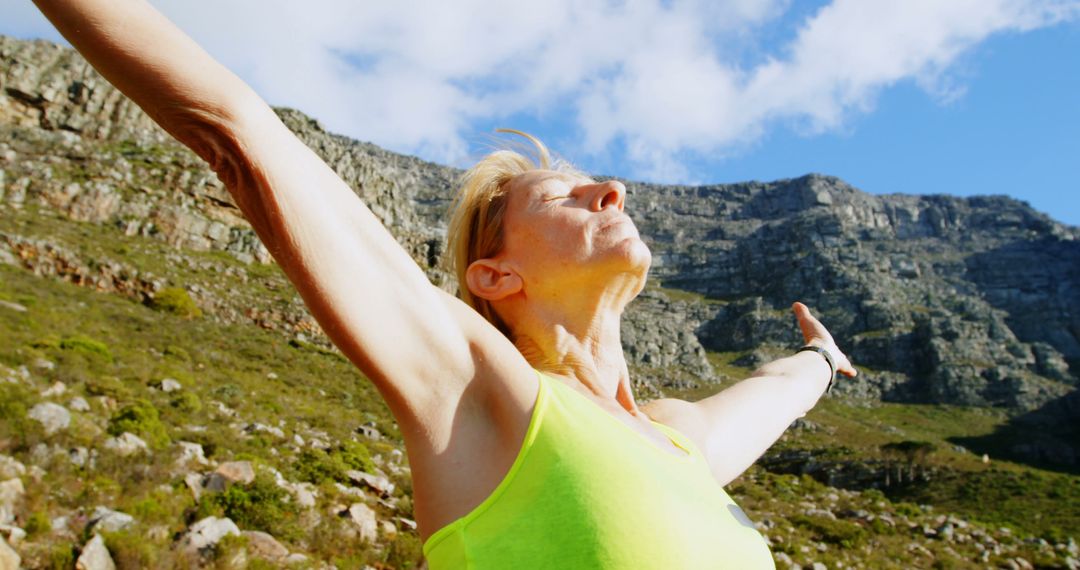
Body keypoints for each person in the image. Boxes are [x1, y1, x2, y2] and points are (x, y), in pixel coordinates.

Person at [33, 1, 856, 568]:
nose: (611, 189)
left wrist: (818, 360)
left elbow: (779, 389)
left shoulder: (681, 442)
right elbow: (239, 133)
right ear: (494, 275)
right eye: (560, 197)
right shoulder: (480, 390)